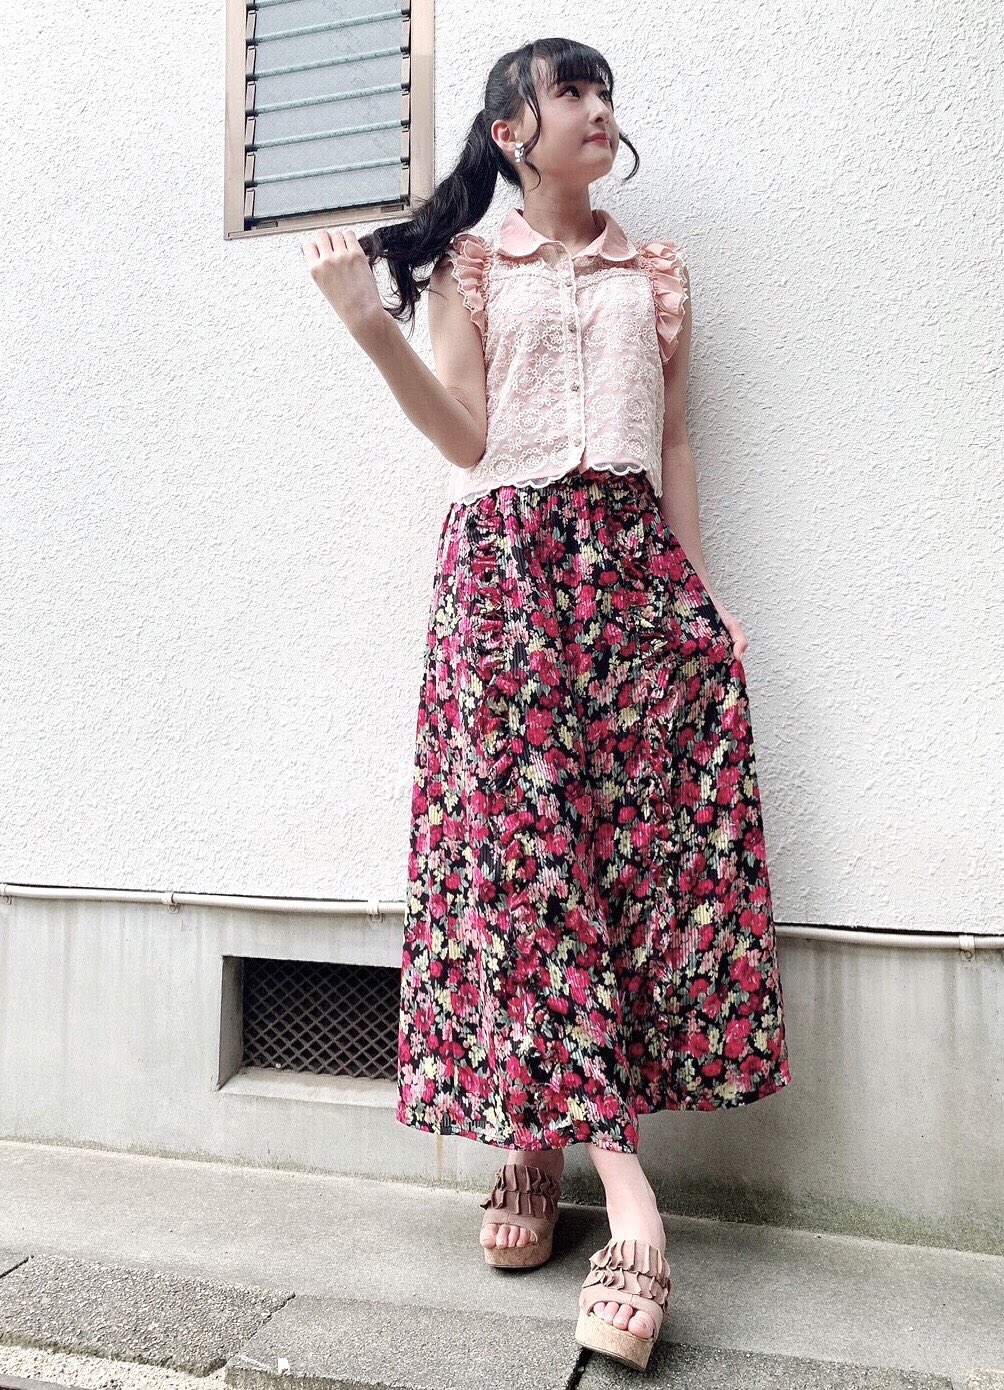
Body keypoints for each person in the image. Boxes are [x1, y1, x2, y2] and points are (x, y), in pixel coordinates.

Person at [302, 35, 793, 1375]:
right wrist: (367, 325)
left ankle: (533, 1142)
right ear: (513, 129)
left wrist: (703, 596)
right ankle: (628, 1201)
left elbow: (674, 443)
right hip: (508, 575)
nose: (599, 110)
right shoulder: (471, 268)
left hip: (632, 575)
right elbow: (469, 438)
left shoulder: (656, 275)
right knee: (529, 869)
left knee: (631, 866)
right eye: (573, 92)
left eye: (605, 92)